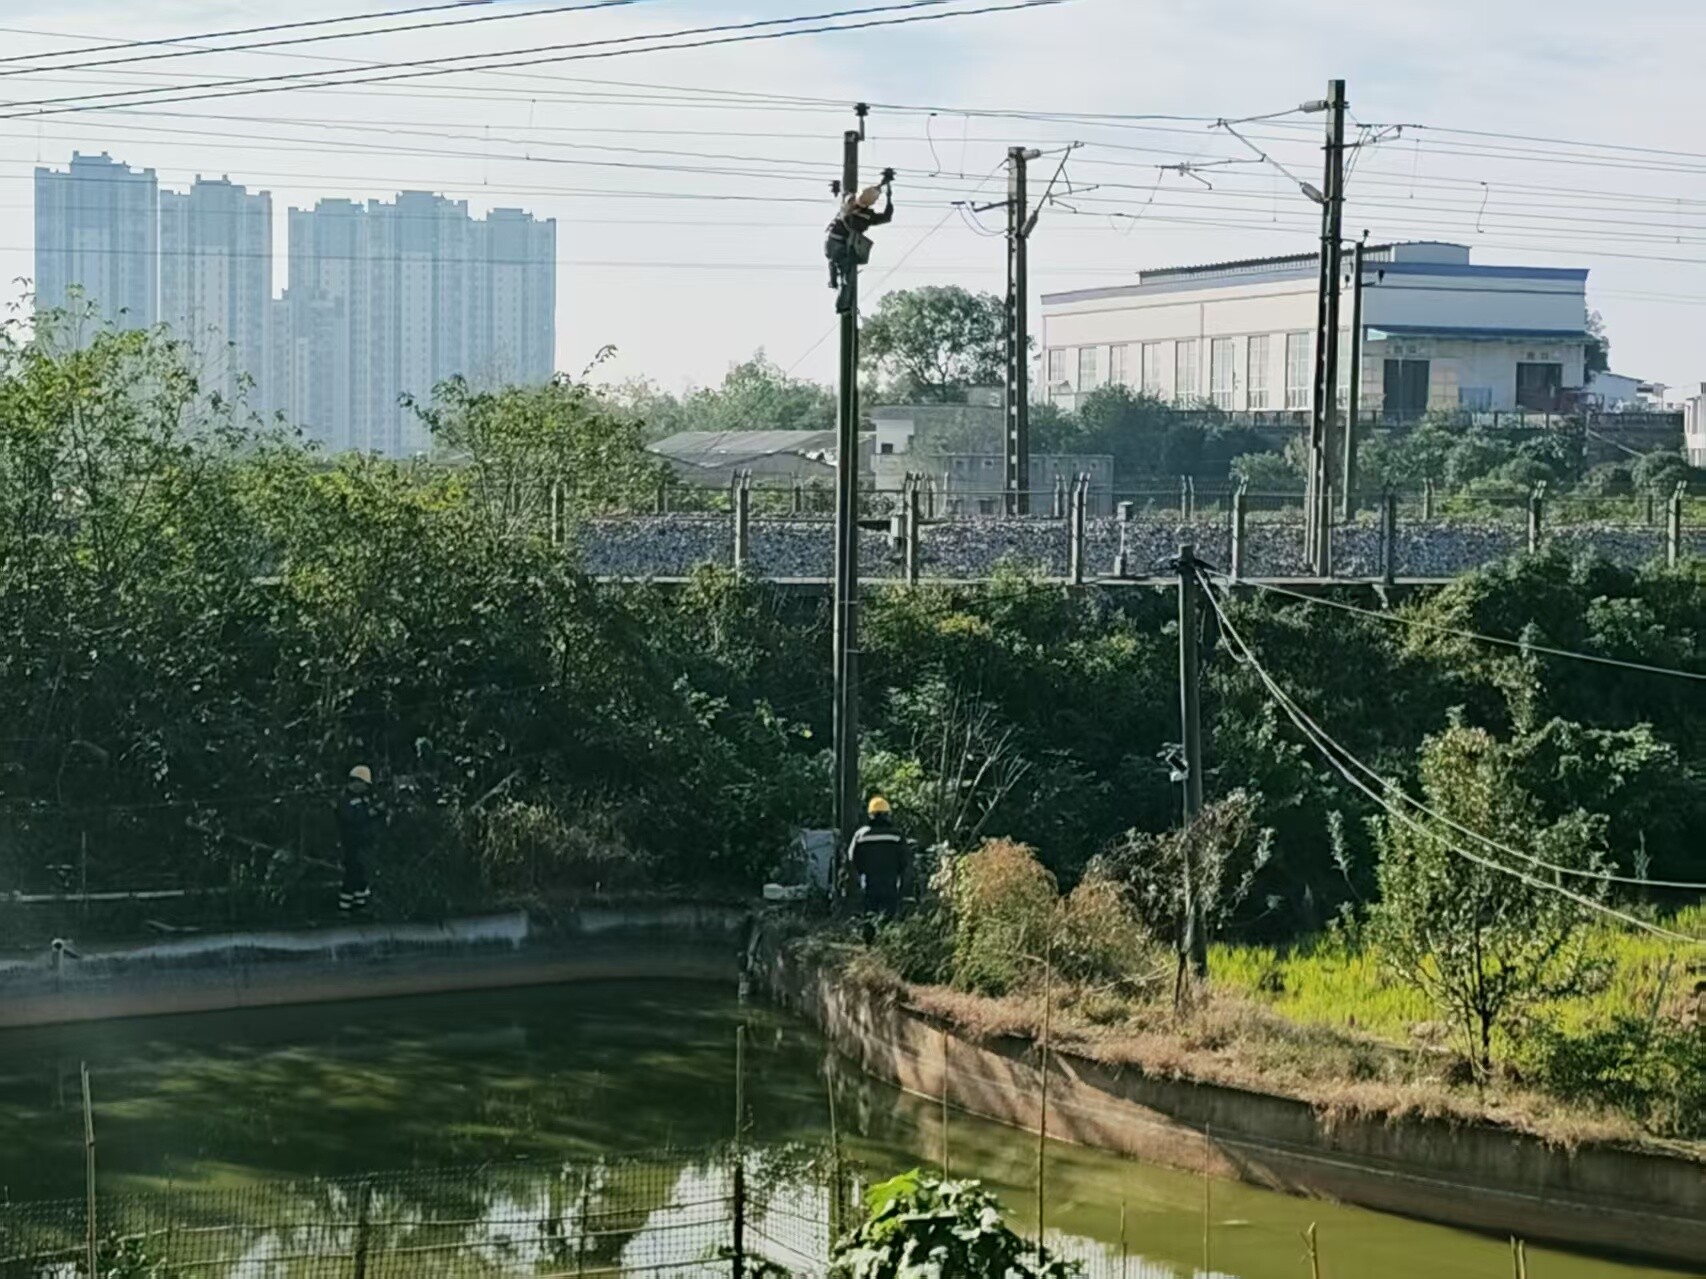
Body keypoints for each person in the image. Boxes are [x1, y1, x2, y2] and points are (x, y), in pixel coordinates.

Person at [823, 177, 894, 314]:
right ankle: (843, 307)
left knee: (836, 261)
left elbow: (867, 194)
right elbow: (887, 217)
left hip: (829, 242)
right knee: (848, 278)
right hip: (841, 247)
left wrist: (882, 184)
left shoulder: (848, 201)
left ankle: (833, 275)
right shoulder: (865, 217)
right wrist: (889, 197)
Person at [848, 795, 911, 927]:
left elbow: (852, 858)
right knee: (889, 916)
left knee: (870, 915)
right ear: (887, 814)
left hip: (869, 882)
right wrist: (901, 878)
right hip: (890, 882)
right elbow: (905, 859)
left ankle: (869, 936)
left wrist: (859, 875)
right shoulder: (897, 835)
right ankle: (887, 935)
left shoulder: (861, 835)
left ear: (870, 815)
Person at [336, 764, 379, 916]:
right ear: (356, 782)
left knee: (362, 874)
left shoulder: (363, 798)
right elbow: (350, 818)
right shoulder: (344, 799)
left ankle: (360, 906)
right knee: (351, 874)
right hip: (350, 843)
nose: (365, 788)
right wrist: (370, 813)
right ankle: (344, 908)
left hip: (363, 843)